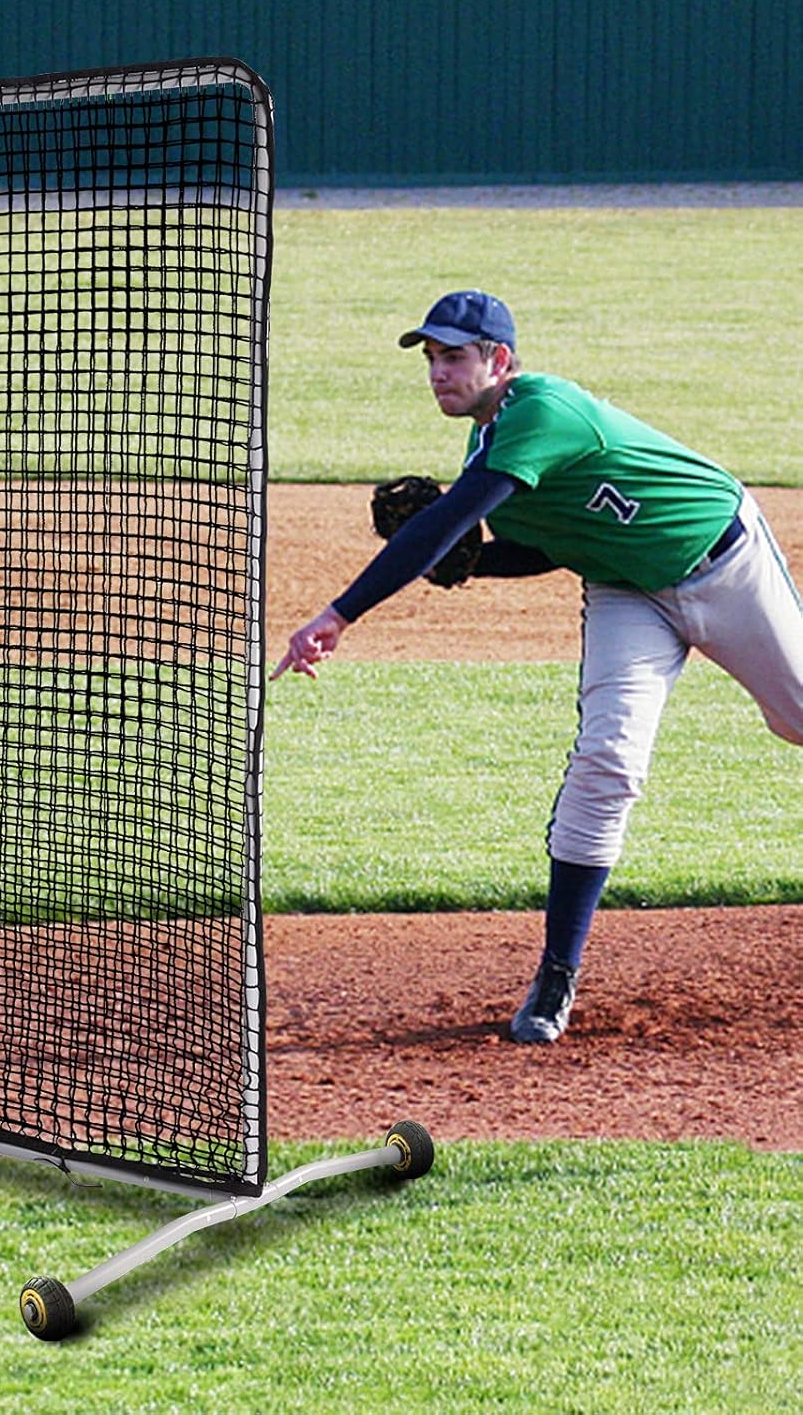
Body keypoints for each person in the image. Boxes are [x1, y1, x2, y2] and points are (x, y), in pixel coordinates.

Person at [271, 290, 803, 1043]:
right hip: (627, 592)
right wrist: (476, 566)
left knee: (800, 719)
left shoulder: (542, 412)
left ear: (500, 361)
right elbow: (545, 543)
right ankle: (556, 978)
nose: (438, 372)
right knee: (606, 762)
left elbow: (448, 518)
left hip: (724, 559)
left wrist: (338, 613)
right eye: (430, 357)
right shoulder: (489, 450)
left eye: (454, 356)